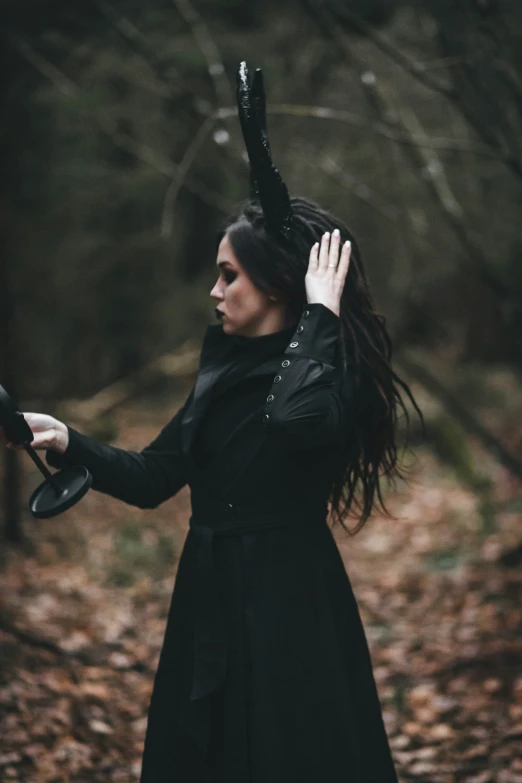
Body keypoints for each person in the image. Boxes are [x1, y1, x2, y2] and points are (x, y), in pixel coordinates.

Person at [1, 63, 422, 782]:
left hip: (292, 604)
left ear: (280, 286)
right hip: (211, 595)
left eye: (229, 274)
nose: (214, 289)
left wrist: (320, 314)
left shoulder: (332, 375)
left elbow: (292, 420)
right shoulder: (221, 371)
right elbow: (155, 476)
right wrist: (69, 439)